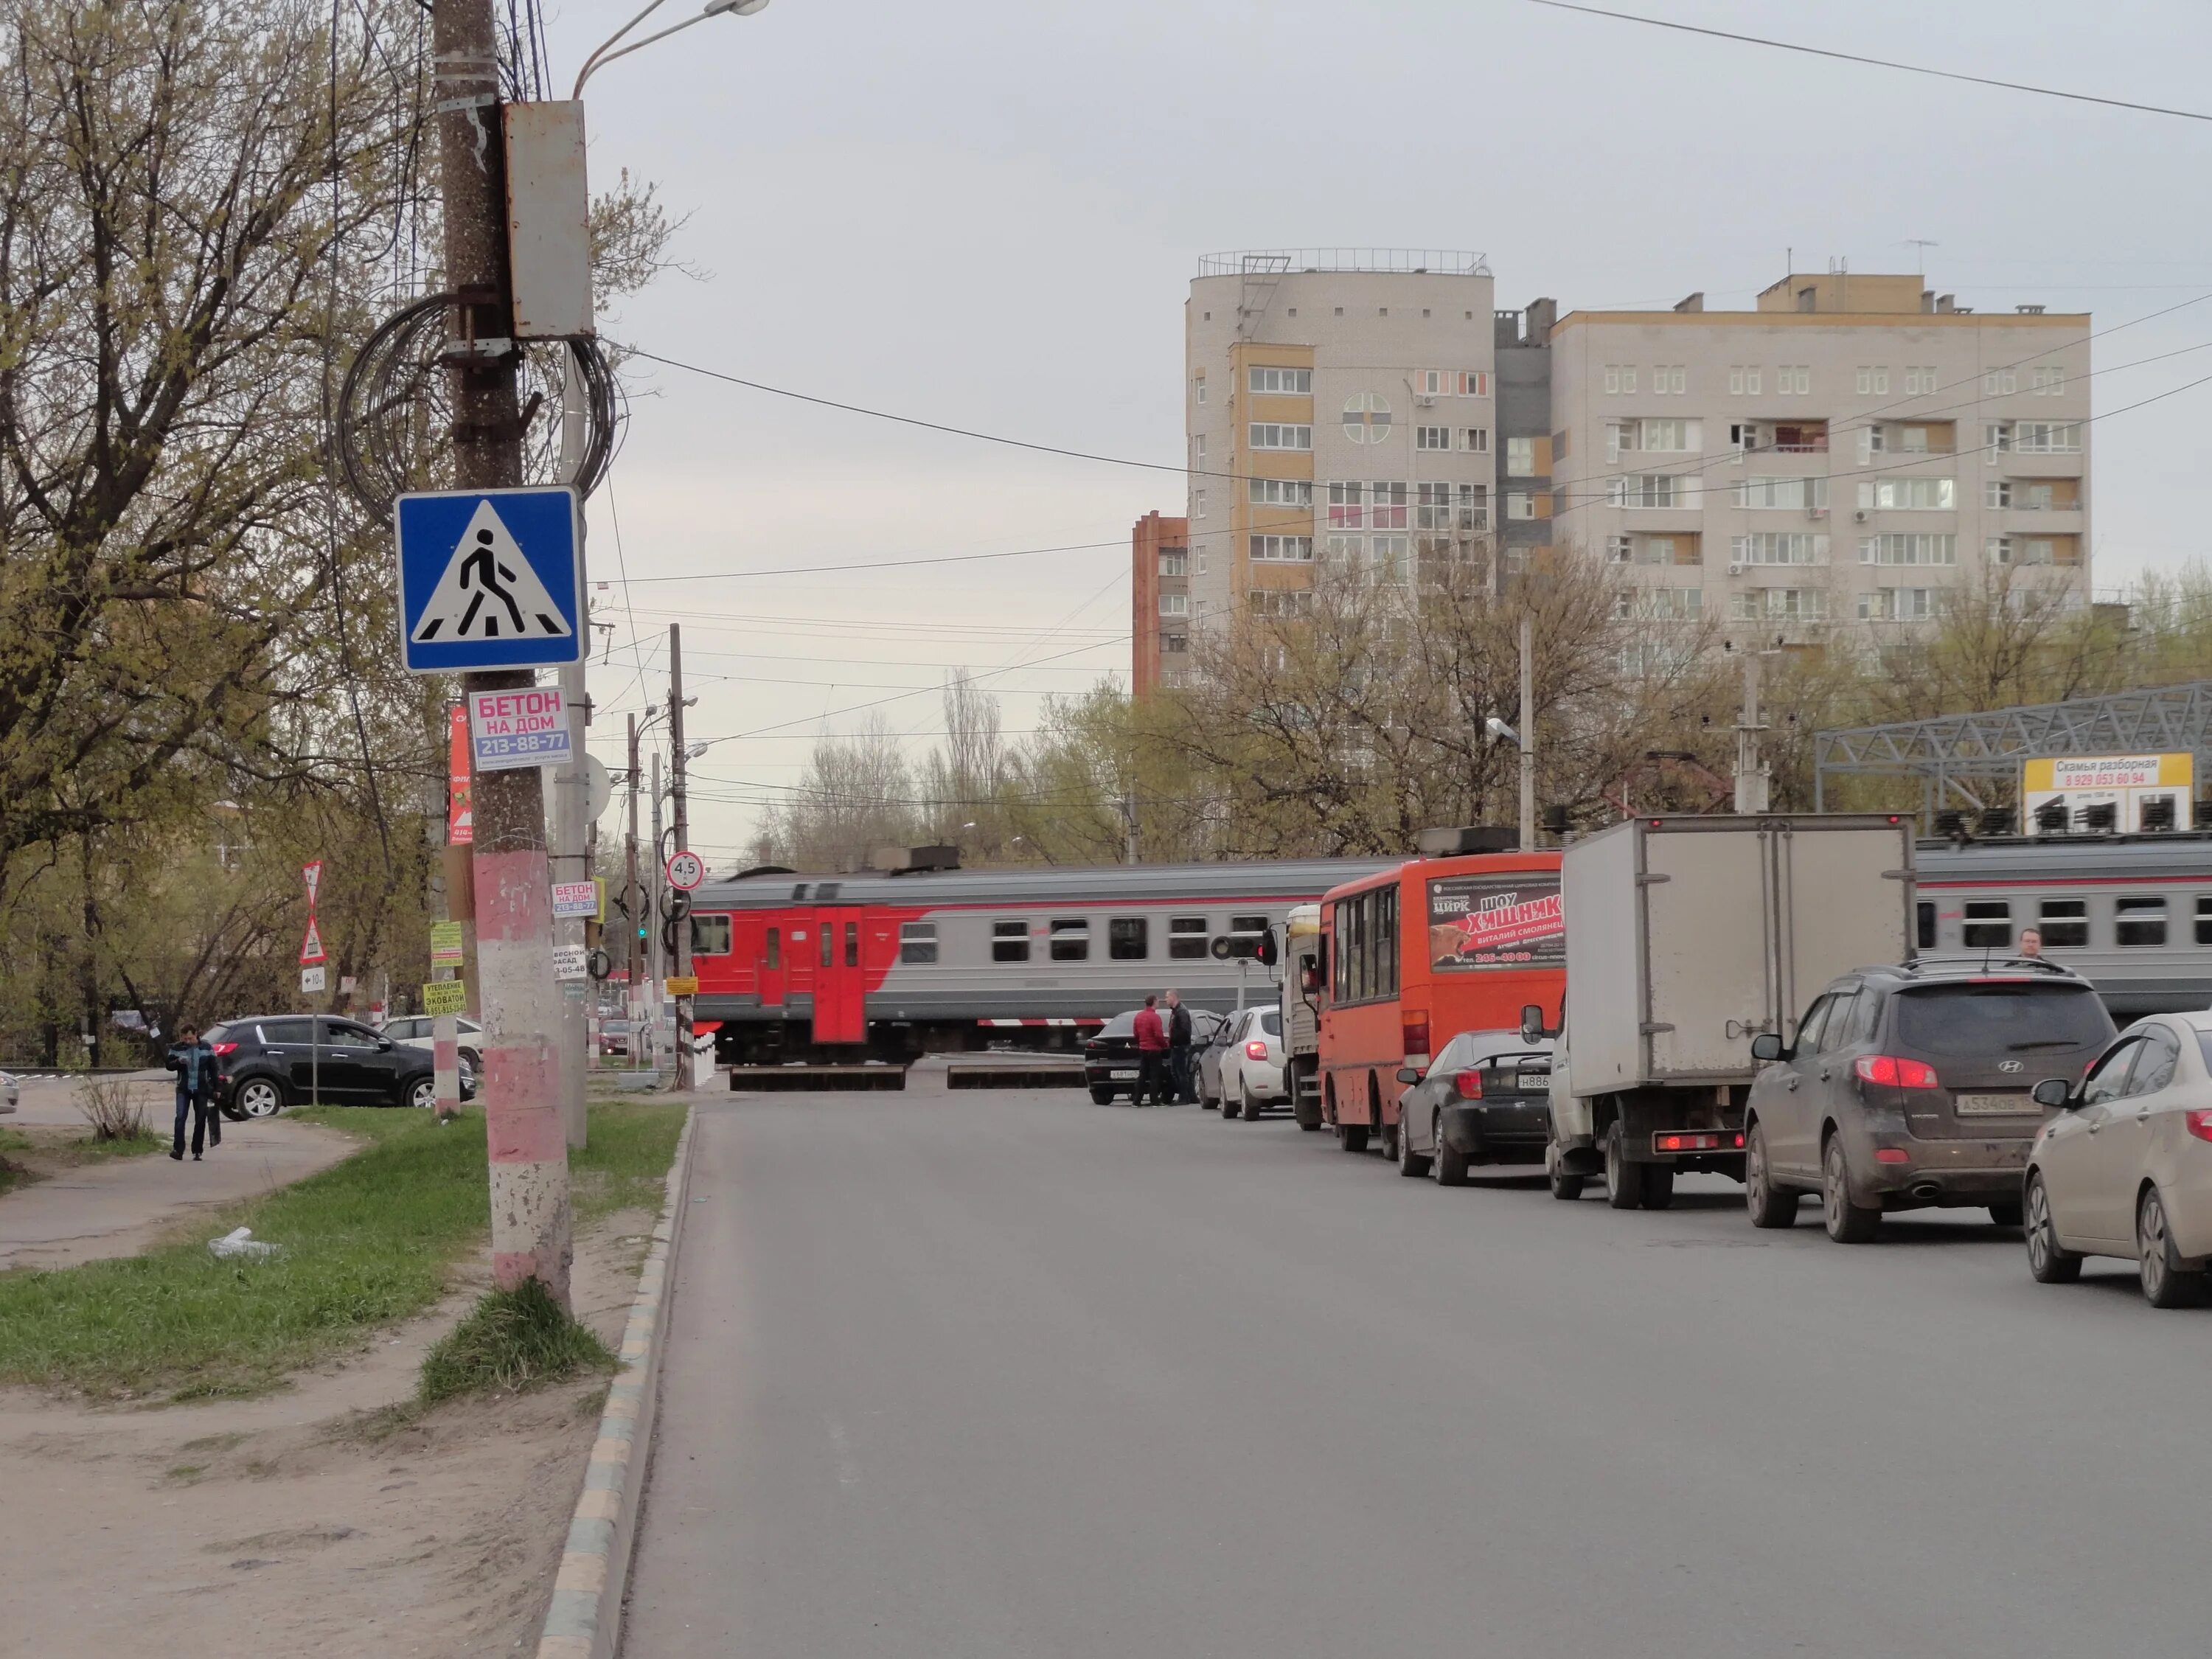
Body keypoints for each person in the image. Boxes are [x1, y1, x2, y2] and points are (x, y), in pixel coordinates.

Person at [164, 1025, 219, 1161]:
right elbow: (169, 1066)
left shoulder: (207, 1048)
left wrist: (217, 1088)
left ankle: (197, 1151)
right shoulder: (177, 1048)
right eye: (185, 1039)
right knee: (180, 1117)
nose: (187, 1042)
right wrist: (178, 1061)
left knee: (200, 1119)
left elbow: (214, 1069)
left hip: (202, 1089)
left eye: (190, 1038)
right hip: (183, 1088)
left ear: (196, 1034)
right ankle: (178, 1150)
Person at [1131, 994, 1169, 1107]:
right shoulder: (1155, 1017)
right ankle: (1154, 1101)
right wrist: (1164, 1044)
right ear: (1154, 1002)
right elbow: (1158, 1035)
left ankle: (1136, 1101)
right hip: (1154, 1050)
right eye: (1157, 1001)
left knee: (1142, 1075)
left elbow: (1136, 1034)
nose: (1159, 1003)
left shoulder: (1138, 1016)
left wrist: (1141, 1043)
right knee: (1154, 1076)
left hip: (1143, 1049)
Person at [1165, 990, 1196, 1105]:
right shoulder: (1176, 1011)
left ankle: (1184, 1097)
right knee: (1176, 1072)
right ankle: (1184, 1096)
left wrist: (1174, 1040)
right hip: (1177, 1046)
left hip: (1181, 1047)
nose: (1166, 999)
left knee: (1181, 1072)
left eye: (1167, 997)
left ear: (1174, 997)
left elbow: (1184, 1031)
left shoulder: (1181, 1012)